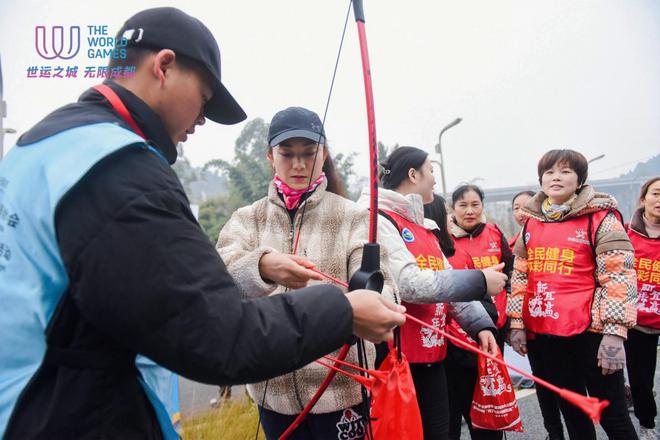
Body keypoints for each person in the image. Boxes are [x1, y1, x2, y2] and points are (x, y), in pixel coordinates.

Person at [0, 9, 404, 439]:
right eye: (205, 97)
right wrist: (337, 307)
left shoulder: (43, 144)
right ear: (164, 66)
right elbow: (218, 332)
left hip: (32, 405)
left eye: (311, 151)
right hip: (70, 413)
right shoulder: (119, 172)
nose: (201, 119)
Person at [217, 106, 398, 439]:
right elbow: (219, 276)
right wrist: (263, 265)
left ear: (324, 153)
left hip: (344, 392)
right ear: (270, 155)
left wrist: (367, 300)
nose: (298, 164)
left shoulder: (352, 217)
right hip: (274, 397)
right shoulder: (248, 219)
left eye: (309, 153)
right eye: (287, 154)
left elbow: (382, 287)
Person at [356, 146, 507, 439]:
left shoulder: (424, 226)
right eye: (431, 171)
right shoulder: (378, 221)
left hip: (431, 357)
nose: (435, 181)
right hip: (396, 358)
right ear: (414, 174)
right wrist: (479, 281)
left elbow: (446, 284)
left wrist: (480, 326)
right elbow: (410, 284)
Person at [507, 149, 638, 440]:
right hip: (549, 335)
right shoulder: (531, 223)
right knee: (573, 415)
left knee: (612, 415)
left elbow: (619, 277)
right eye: (549, 172)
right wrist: (516, 322)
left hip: (592, 333)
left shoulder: (601, 220)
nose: (556, 177)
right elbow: (520, 277)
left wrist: (615, 333)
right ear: (541, 179)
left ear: (579, 180)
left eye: (565, 171)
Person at [510, 191, 567, 440]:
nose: (521, 212)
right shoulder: (513, 244)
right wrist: (516, 324)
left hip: (560, 326)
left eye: (526, 206)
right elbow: (516, 287)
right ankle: (553, 433)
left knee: (566, 386)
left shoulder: (556, 236)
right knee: (543, 388)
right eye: (516, 208)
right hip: (532, 329)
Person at [626, 177, 660, 440]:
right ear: (643, 199)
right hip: (638, 322)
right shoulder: (625, 234)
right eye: (656, 194)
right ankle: (646, 424)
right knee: (641, 380)